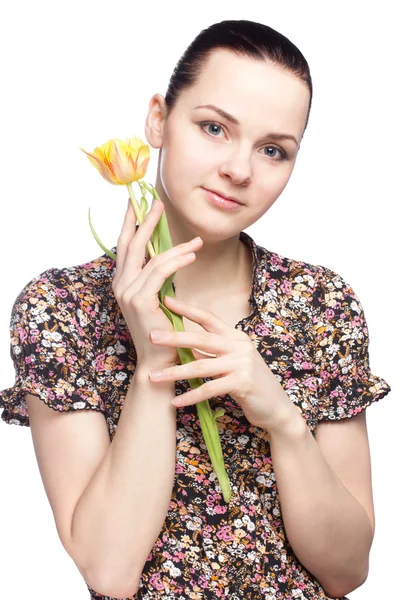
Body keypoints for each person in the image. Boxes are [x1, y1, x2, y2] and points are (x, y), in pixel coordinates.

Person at [0, 18, 391, 600]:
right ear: (159, 119)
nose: (240, 170)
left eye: (273, 150)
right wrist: (151, 360)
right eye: (214, 128)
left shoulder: (319, 303)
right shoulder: (61, 309)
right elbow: (110, 572)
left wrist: (282, 420)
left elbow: (347, 571)